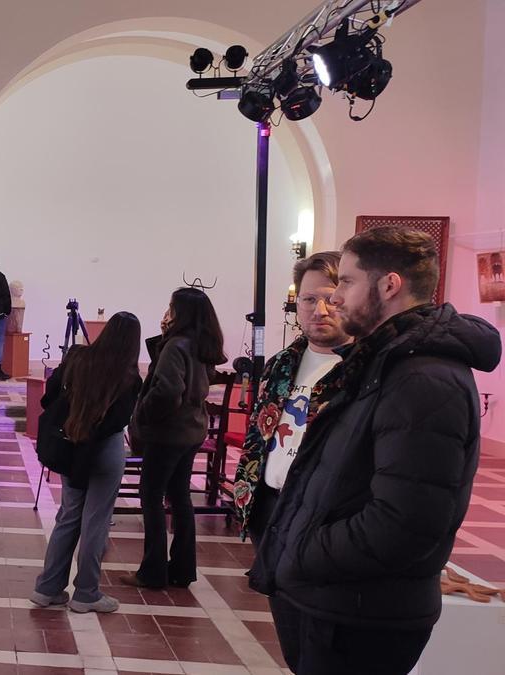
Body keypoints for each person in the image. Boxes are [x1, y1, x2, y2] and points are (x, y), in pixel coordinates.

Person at [248, 227, 501, 675]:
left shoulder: (423, 379)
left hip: (361, 609)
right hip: (337, 596)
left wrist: (299, 552)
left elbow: (405, 523)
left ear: (388, 285)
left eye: (345, 282)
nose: (336, 298)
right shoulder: (383, 362)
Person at [232, 252, 352, 545]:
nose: (319, 310)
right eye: (309, 299)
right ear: (296, 303)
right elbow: (258, 435)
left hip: (324, 514)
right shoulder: (281, 364)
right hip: (269, 504)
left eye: (331, 299)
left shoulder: (362, 369)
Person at [30, 312, 143, 613]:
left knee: (68, 516)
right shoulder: (130, 377)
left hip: (71, 445)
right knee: (96, 522)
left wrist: (76, 422)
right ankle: (86, 593)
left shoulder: (78, 357)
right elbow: (119, 420)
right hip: (104, 450)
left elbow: (49, 395)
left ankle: (47, 588)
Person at [120, 287, 226, 589]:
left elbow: (167, 391)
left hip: (168, 433)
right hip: (191, 431)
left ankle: (152, 571)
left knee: (151, 497)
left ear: (182, 313)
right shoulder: (200, 345)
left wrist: (143, 416)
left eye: (171, 307)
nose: (167, 313)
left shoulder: (176, 346)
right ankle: (181, 568)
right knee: (180, 498)